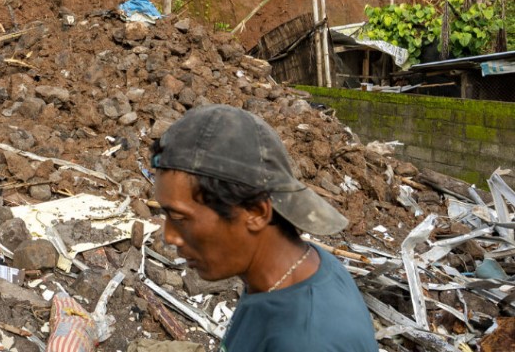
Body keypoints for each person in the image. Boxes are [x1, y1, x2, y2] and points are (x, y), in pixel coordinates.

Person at [150, 105, 377, 352]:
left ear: (255, 212)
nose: (169, 236)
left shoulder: (306, 341)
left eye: (180, 218)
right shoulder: (298, 268)